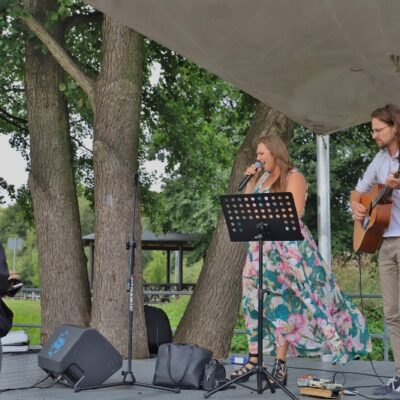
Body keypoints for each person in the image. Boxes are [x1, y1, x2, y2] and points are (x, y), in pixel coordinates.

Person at [231, 134, 371, 386]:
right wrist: (251, 180)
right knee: (252, 296)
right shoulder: (261, 177)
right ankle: (254, 360)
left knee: (284, 302)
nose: (258, 158)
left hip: (288, 249)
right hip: (260, 249)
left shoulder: (294, 176)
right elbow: (247, 209)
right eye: (258, 154)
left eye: (262, 153)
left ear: (275, 152)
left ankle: (280, 365)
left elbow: (293, 214)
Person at [350, 104, 400, 398]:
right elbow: (358, 192)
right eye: (371, 130)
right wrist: (356, 205)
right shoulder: (380, 160)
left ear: (395, 126)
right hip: (385, 243)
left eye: (378, 130)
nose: (374, 135)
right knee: (393, 313)